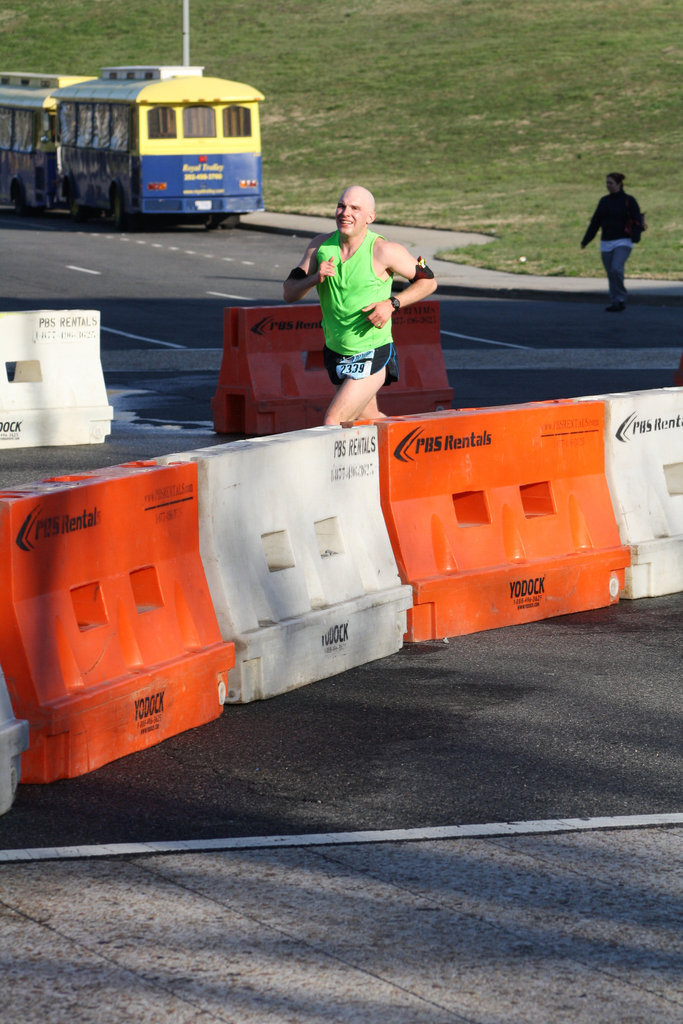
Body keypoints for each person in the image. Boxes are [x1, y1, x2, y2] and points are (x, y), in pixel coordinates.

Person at [282, 185, 438, 424]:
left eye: (355, 208)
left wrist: (392, 303)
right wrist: (315, 278)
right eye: (341, 205)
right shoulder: (319, 247)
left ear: (370, 217)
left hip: (371, 352)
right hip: (336, 351)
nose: (345, 212)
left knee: (333, 423)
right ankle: (409, 450)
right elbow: (289, 292)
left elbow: (428, 283)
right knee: (371, 419)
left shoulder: (384, 250)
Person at [581, 172, 645, 312]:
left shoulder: (629, 200)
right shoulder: (604, 201)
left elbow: (638, 220)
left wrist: (636, 235)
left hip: (623, 241)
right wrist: (586, 240)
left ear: (619, 184)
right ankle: (615, 301)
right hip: (606, 242)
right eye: (607, 183)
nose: (608, 185)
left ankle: (621, 298)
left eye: (610, 183)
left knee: (616, 268)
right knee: (611, 273)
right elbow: (595, 222)